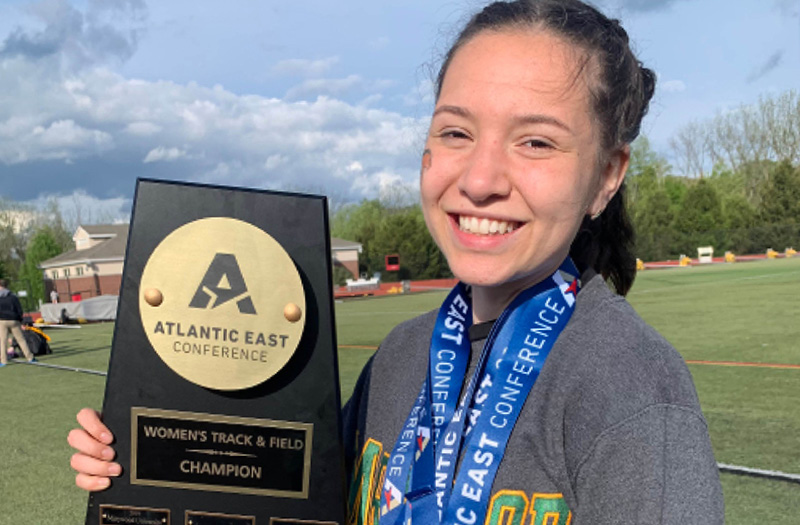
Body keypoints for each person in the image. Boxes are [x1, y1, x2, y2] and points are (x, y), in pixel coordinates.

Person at [67, 1, 724, 523]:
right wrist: (145, 460)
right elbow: (288, 497)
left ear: (606, 176)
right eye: (457, 132)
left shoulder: (631, 388)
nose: (481, 179)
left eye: (535, 141)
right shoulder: (403, 358)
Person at [0, 279, 36, 366]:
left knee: (3, 341)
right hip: (14, 320)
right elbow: (19, 309)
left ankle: (3, 361)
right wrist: (20, 320)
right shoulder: (13, 296)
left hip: (2, 320)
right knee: (21, 340)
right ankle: (30, 358)